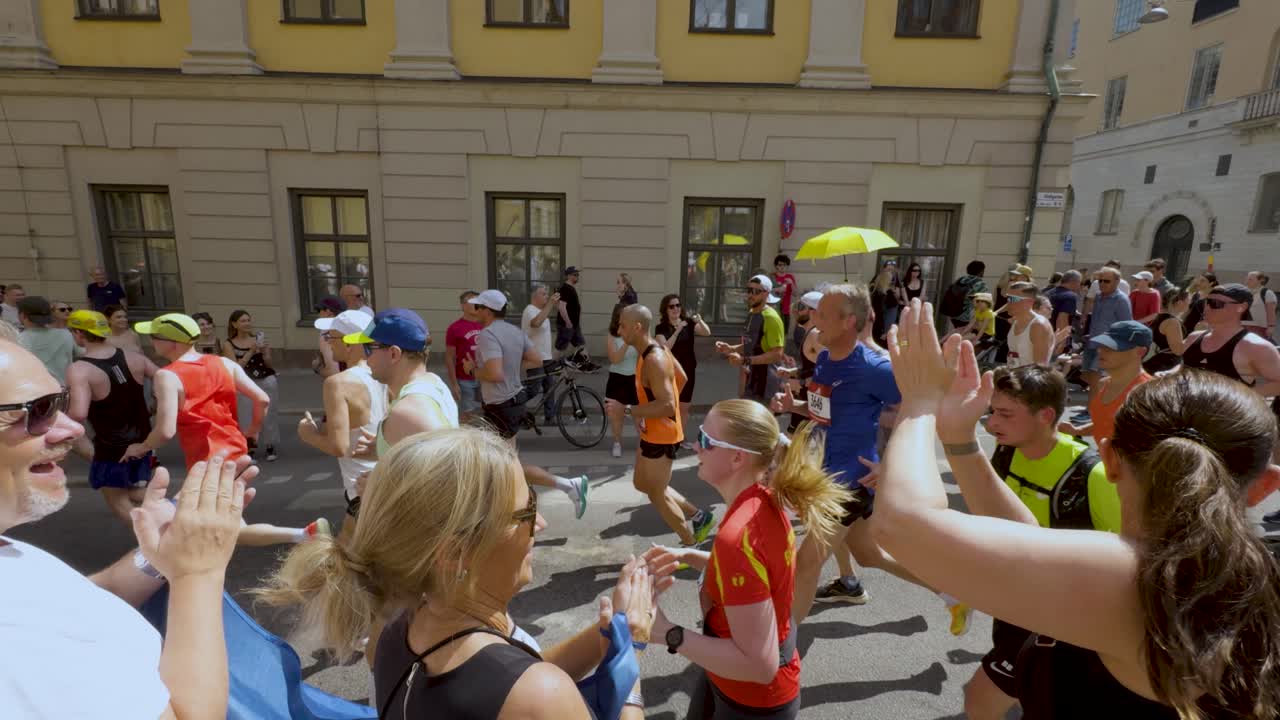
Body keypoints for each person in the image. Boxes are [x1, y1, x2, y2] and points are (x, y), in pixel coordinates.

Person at [877, 298, 1280, 719]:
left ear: (1108, 460)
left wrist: (919, 403)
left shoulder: (1130, 576)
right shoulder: (1242, 576)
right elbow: (1032, 539)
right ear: (1265, 485)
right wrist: (959, 439)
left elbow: (903, 524)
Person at [254, 429, 656, 720]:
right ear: (457, 552)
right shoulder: (538, 696)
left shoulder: (395, 630)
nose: (542, 524)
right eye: (527, 510)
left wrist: (606, 636)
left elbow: (506, 679)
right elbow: (522, 688)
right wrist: (630, 670)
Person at [0, 336, 255, 719]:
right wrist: (197, 573)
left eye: (60, 403)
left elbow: (78, 601)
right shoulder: (13, 640)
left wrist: (162, 556)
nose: (70, 428)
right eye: (38, 410)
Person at [643, 400, 851, 719]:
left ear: (737, 457)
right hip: (732, 679)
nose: (694, 447)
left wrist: (666, 632)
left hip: (752, 700)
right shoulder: (763, 498)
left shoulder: (738, 535)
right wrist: (687, 555)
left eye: (705, 441)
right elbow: (758, 570)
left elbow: (759, 666)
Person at [772, 285, 949, 624]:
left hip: (850, 481)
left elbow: (921, 413)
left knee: (806, 563)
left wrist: (891, 466)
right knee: (869, 556)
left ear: (849, 321)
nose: (813, 320)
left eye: (822, 314)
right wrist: (792, 405)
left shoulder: (875, 368)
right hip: (825, 475)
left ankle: (782, 649)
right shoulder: (824, 359)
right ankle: (949, 590)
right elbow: (825, 411)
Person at [129, 312, 325, 546]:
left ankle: (306, 535)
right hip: (234, 450)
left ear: (172, 342)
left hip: (208, 460)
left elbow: (165, 431)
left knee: (178, 522)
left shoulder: (167, 375)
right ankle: (305, 535)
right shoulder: (224, 363)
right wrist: (252, 430)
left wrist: (141, 447)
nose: (151, 341)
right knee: (228, 528)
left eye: (154, 336)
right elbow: (262, 399)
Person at [465, 290, 590, 516]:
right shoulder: (514, 331)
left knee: (505, 465)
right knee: (503, 463)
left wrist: (472, 369)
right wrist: (511, 363)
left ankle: (556, 492)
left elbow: (494, 374)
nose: (475, 311)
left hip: (499, 405)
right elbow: (535, 359)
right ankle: (549, 494)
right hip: (513, 401)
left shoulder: (487, 335)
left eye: (478, 307)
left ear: (487, 310)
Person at [606, 304, 714, 547]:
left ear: (637, 327)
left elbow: (666, 405)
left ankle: (689, 545)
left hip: (661, 436)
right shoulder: (654, 350)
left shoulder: (654, 359)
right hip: (651, 432)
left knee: (656, 493)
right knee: (642, 484)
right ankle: (700, 516)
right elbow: (682, 379)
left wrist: (627, 410)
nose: (619, 330)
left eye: (622, 325)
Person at [64, 309, 159, 526]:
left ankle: (159, 542)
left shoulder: (80, 369)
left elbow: (78, 414)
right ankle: (175, 514)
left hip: (111, 446)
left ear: (78, 334)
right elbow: (162, 376)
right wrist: (156, 400)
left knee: (118, 500)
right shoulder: (134, 357)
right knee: (136, 490)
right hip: (142, 440)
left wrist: (59, 413)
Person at [299, 309, 388, 540]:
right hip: (383, 476)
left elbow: (338, 446)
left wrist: (308, 434)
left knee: (349, 556)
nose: (328, 344)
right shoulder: (384, 374)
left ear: (350, 343)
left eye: (331, 337)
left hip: (360, 485)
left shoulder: (338, 383)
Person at [1060, 321, 1153, 447]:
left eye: (1113, 347)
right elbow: (1107, 423)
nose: (1101, 350)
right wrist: (1078, 431)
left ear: (1140, 352)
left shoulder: (1148, 393)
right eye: (1103, 344)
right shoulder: (1103, 384)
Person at [716, 274, 786, 404]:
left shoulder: (771, 317)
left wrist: (744, 360)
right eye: (749, 290)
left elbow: (777, 354)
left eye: (756, 291)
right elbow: (753, 344)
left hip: (766, 383)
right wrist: (731, 348)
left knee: (762, 424)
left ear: (766, 294)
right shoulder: (752, 312)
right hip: (751, 380)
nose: (750, 295)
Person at [224, 310, 280, 462]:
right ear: (234, 324)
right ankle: (249, 447)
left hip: (266, 379)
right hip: (244, 381)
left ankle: (270, 445)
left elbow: (269, 363)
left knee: (269, 413)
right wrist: (251, 351)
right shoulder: (229, 344)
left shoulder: (258, 340)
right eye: (243, 321)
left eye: (248, 320)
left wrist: (265, 352)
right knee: (246, 414)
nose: (247, 323)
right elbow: (235, 367)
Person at [656, 292, 710, 443]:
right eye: (671, 306)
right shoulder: (661, 328)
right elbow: (665, 348)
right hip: (670, 372)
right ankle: (666, 435)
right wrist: (678, 329)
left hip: (688, 370)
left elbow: (706, 332)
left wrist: (701, 321)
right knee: (670, 406)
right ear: (665, 310)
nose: (675, 309)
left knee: (684, 407)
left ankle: (679, 437)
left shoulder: (689, 323)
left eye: (678, 305)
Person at [776, 291, 824, 434]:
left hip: (812, 401)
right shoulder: (810, 333)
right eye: (797, 305)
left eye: (801, 306)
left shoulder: (815, 335)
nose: (795, 310)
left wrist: (802, 382)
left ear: (814, 312)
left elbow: (831, 370)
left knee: (801, 446)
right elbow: (814, 366)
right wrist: (794, 371)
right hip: (807, 400)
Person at [1081, 266, 1133, 390]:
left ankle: (1095, 409)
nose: (1102, 284)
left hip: (1107, 346)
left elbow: (1126, 325)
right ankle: (1093, 408)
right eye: (1100, 281)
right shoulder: (1099, 296)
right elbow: (1098, 319)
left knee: (1096, 380)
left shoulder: (1121, 300)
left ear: (1117, 282)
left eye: (1107, 281)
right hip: (1092, 342)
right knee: (1087, 377)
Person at [520, 285, 559, 426]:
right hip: (534, 358)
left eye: (547, 294)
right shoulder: (529, 310)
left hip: (546, 357)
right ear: (534, 296)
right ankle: (514, 407)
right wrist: (550, 305)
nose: (546, 296)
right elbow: (536, 323)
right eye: (543, 294)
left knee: (550, 387)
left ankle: (550, 417)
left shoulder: (541, 311)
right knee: (533, 389)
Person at [605, 303, 640, 459]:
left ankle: (644, 443)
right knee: (616, 415)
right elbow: (615, 359)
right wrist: (626, 341)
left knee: (638, 415)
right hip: (617, 379)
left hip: (634, 379)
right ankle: (617, 443)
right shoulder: (612, 335)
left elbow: (644, 356)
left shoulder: (637, 333)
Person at [16, 296, 76, 384]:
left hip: (35, 392)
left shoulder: (17, 339)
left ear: (23, 315)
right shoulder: (66, 335)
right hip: (63, 391)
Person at [445, 290, 484, 423]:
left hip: (485, 376)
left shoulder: (485, 324)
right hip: (464, 379)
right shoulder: (454, 328)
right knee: (468, 414)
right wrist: (454, 384)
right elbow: (450, 357)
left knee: (488, 412)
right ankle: (466, 440)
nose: (476, 304)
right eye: (472, 301)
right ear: (462, 306)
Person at [1004, 282, 1054, 368]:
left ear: (1029, 302)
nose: (1008, 303)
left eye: (1013, 299)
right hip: (1014, 378)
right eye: (1008, 298)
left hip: (1029, 380)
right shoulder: (1016, 322)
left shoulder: (1038, 325)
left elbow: (1040, 368)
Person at [1143, 288, 1189, 375]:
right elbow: (1178, 350)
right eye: (1187, 300)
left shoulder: (1158, 316)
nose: (1189, 303)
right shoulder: (1172, 322)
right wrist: (1193, 339)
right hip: (1164, 367)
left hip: (1153, 363)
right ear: (1179, 302)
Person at [940, 260, 989, 331]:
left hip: (954, 314)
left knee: (958, 333)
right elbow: (984, 302)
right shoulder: (981, 284)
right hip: (967, 317)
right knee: (966, 337)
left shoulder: (960, 279)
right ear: (981, 271)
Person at [871, 260, 906, 346]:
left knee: (887, 327)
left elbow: (898, 294)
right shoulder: (879, 277)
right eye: (889, 266)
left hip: (890, 305)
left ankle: (884, 339)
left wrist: (895, 293)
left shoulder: (896, 278)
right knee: (884, 328)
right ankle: (884, 340)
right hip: (882, 307)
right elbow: (872, 287)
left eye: (892, 266)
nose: (891, 268)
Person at [556, 266, 586, 359]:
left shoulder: (571, 288)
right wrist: (568, 323)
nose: (577, 276)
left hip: (574, 325)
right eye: (575, 274)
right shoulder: (566, 289)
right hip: (567, 325)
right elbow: (561, 307)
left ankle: (583, 364)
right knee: (560, 348)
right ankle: (552, 366)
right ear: (568, 276)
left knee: (580, 345)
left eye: (578, 274)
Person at [311, 295, 344, 377]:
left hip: (342, 383)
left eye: (319, 310)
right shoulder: (350, 328)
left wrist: (317, 369)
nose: (318, 314)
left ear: (329, 312)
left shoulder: (328, 335)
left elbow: (333, 372)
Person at [1045, 269, 1081, 336]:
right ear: (1074, 282)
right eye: (1079, 282)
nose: (1079, 286)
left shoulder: (1047, 293)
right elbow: (1062, 320)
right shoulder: (1070, 296)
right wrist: (1061, 343)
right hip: (1054, 338)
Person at [1244, 271, 1277, 340]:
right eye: (1247, 279)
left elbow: (1271, 312)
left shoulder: (1267, 293)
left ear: (1260, 280)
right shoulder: (1245, 292)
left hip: (1259, 328)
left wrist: (1271, 327)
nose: (1247, 281)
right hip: (1244, 326)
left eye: (1250, 279)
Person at [772, 254, 798, 333]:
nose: (782, 267)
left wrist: (791, 284)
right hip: (773, 310)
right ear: (776, 266)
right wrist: (777, 289)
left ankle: (783, 346)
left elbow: (795, 293)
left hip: (786, 311)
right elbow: (766, 291)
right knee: (773, 332)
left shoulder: (790, 277)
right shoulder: (772, 276)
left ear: (787, 266)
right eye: (780, 265)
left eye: (785, 265)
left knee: (784, 332)